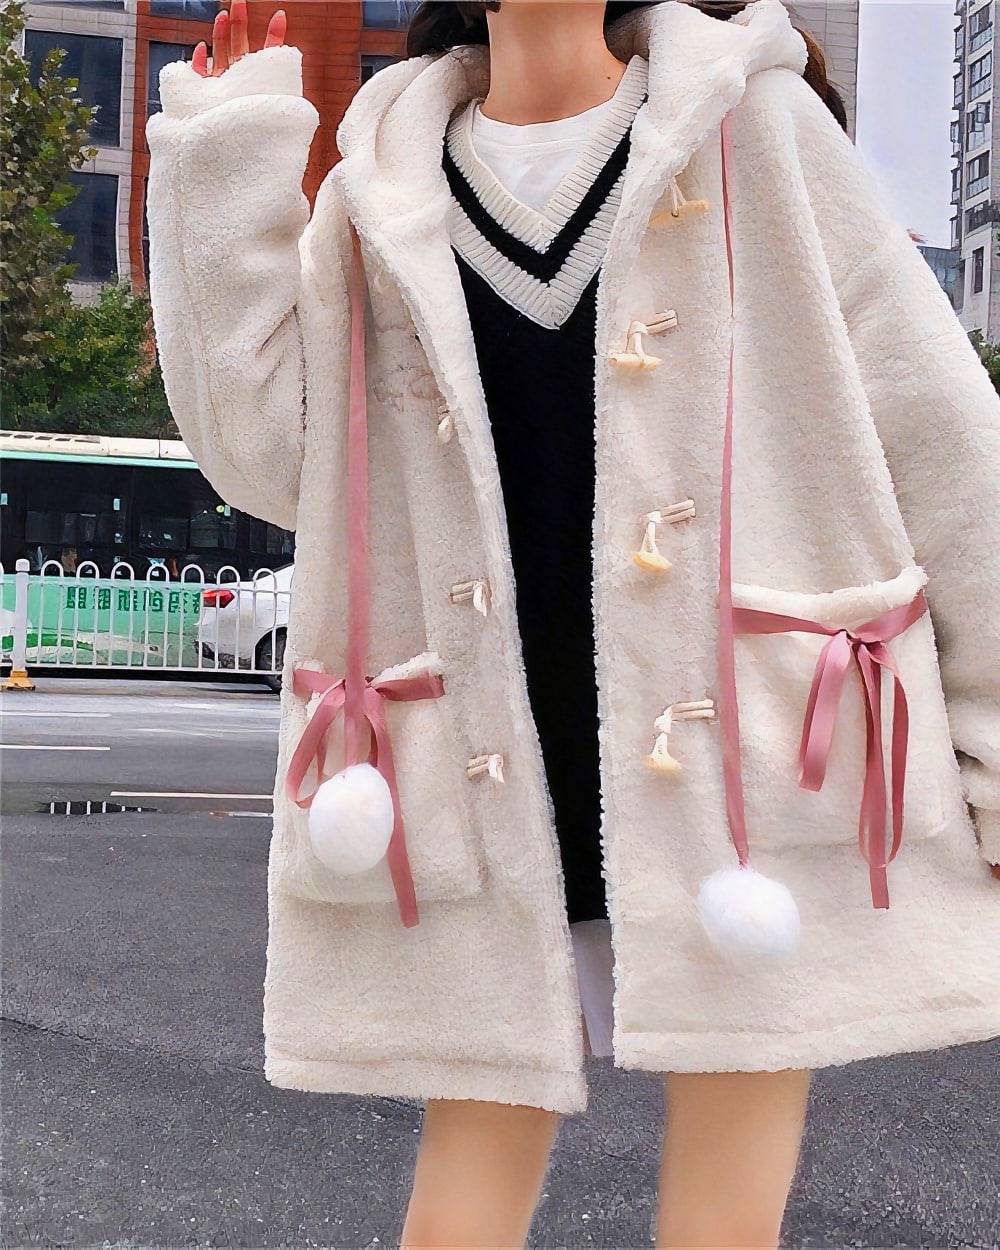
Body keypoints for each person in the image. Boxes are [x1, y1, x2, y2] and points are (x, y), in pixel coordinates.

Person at [145, 1, 1000, 1247]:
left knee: (721, 1222)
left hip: (744, 770)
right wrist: (227, 148)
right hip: (487, 763)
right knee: (459, 1199)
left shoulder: (754, 126)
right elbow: (269, 454)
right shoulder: (385, 179)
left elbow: (952, 456)